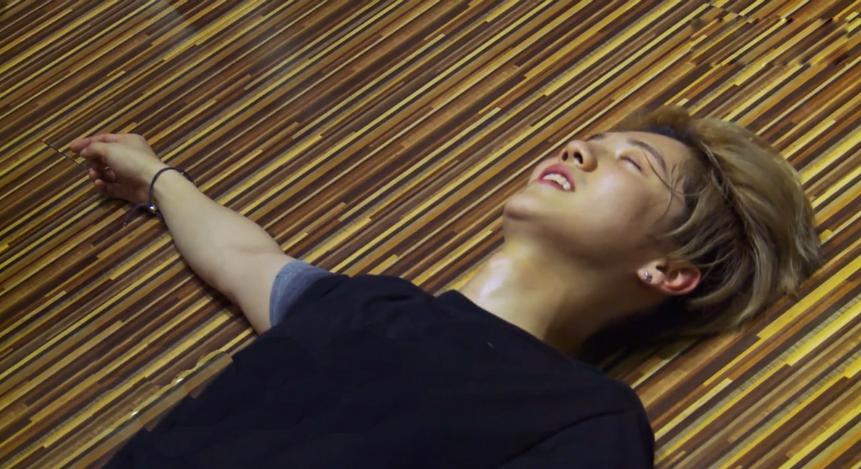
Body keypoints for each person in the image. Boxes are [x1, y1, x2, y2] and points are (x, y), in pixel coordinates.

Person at [74, 105, 820, 468]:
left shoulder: (589, 421)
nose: (579, 150)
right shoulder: (365, 304)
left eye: (632, 163)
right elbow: (241, 255)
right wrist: (155, 177)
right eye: (589, 141)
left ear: (668, 270)